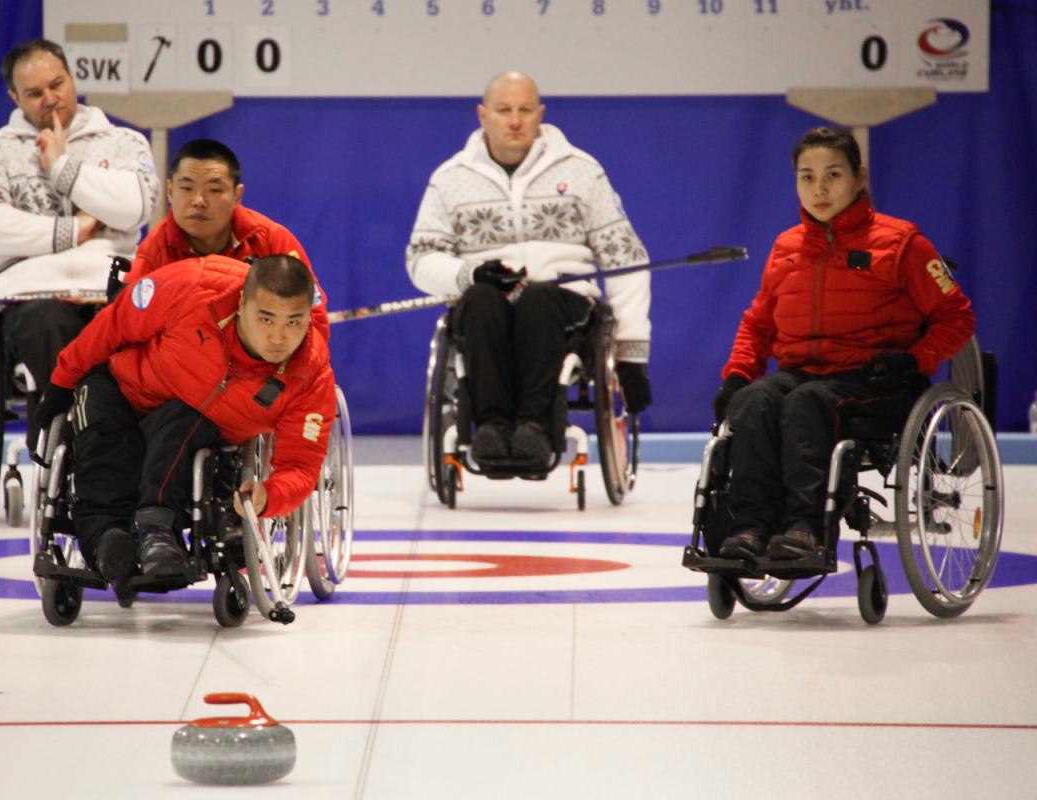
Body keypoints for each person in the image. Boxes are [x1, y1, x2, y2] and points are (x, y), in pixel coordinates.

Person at [712, 126, 975, 562]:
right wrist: (737, 374)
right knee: (754, 401)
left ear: (860, 177)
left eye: (832, 175)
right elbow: (758, 324)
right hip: (802, 374)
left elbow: (957, 317)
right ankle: (749, 529)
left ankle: (806, 528)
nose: (819, 189)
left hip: (876, 379)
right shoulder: (786, 247)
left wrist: (914, 360)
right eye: (807, 177)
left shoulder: (902, 243)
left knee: (808, 403)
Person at [33, 254, 335, 606]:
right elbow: (111, 325)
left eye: (293, 322)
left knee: (186, 424)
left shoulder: (310, 374)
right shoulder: (192, 287)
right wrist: (60, 382)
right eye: (266, 319)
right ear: (242, 302)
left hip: (189, 425)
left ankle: (157, 533)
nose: (279, 336)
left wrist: (269, 496)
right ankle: (107, 543)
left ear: (307, 318)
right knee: (101, 433)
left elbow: (301, 468)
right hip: (122, 386)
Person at [406, 71, 652, 467]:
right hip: (486, 302)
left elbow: (626, 258)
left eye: (525, 110)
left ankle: (535, 428)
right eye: (504, 110)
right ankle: (491, 427)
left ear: (541, 113)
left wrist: (631, 355)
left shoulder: (582, 172)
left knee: (539, 299)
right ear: (483, 115)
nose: (515, 120)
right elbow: (421, 258)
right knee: (483, 300)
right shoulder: (449, 180)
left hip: (564, 305)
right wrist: (468, 274)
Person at [0, 38, 159, 442]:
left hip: (110, 291)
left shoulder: (122, 143)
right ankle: (65, 448)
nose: (50, 98)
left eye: (57, 84)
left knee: (142, 330)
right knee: (49, 324)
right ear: (15, 97)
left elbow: (136, 207)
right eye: (34, 93)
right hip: (32, 298)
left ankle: (119, 454)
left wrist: (62, 169)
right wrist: (75, 230)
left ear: (73, 78)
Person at [126, 137, 328, 339]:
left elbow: (315, 319)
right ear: (170, 191)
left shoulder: (272, 240)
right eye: (186, 188)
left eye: (214, 190)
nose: (198, 201)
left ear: (237, 196)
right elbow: (127, 327)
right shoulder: (153, 252)